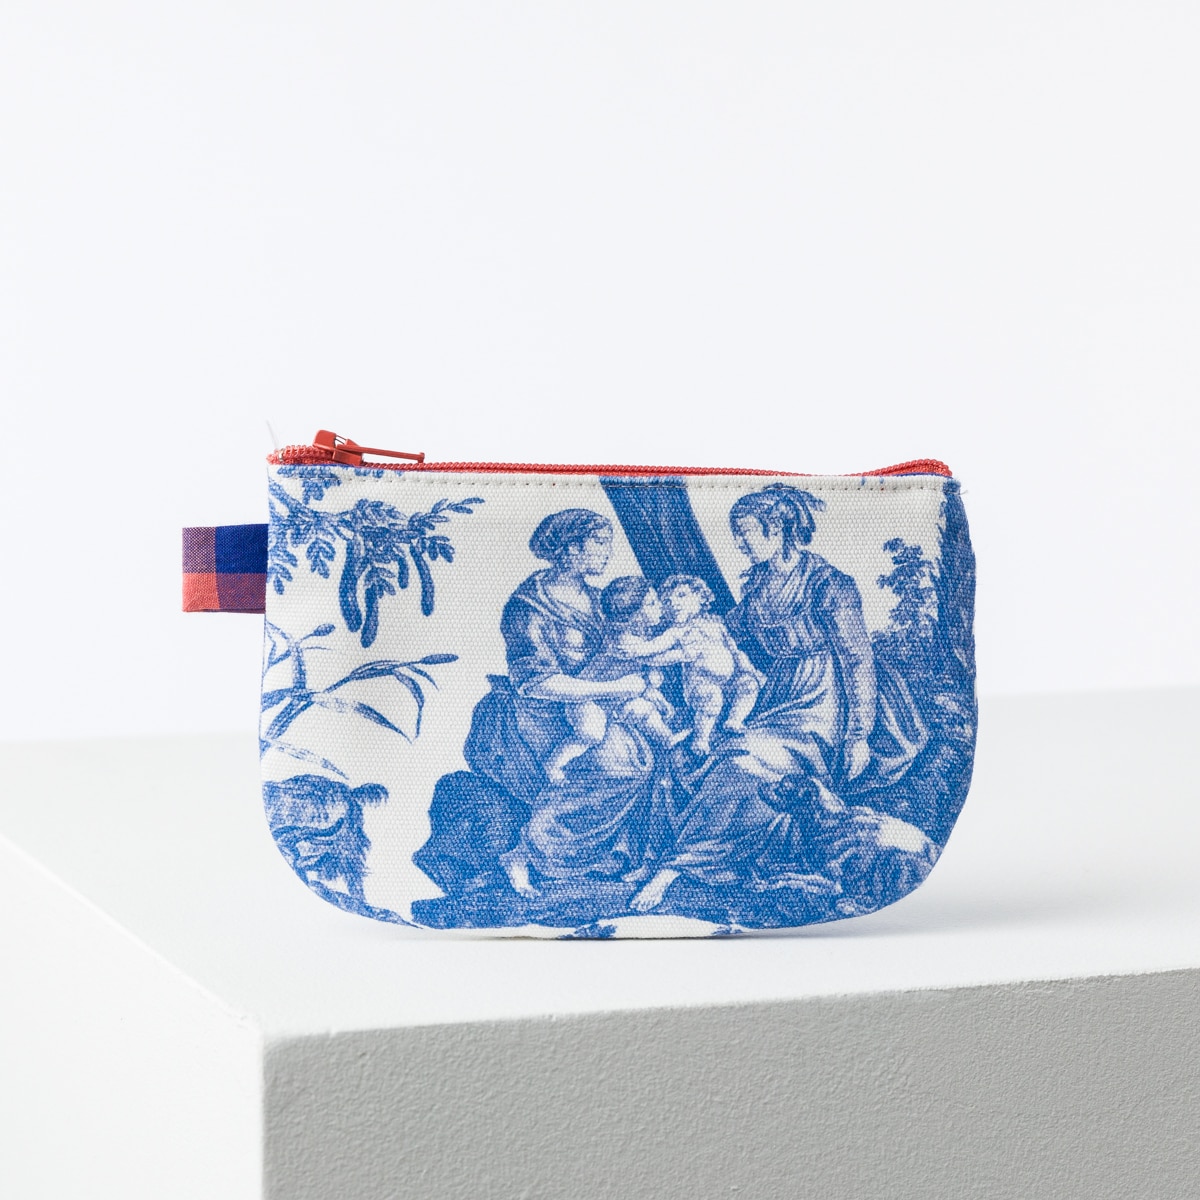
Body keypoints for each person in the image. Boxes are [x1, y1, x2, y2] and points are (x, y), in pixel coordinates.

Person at [628, 484, 933, 915]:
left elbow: (858, 660)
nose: (739, 543)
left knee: (740, 765)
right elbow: (731, 629)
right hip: (778, 696)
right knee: (710, 756)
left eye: (745, 533)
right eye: (736, 534)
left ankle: (676, 869)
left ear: (776, 530)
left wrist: (858, 736)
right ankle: (673, 859)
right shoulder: (759, 584)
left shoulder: (829, 585)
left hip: (826, 702)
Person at [544, 576, 680, 782]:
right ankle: (554, 764)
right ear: (633, 617)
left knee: (644, 709)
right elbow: (655, 657)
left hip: (618, 698)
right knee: (592, 733)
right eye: (652, 603)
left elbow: (639, 675)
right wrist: (682, 650)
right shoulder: (623, 642)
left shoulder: (638, 637)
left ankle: (669, 741)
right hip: (588, 701)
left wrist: (654, 694)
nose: (659, 606)